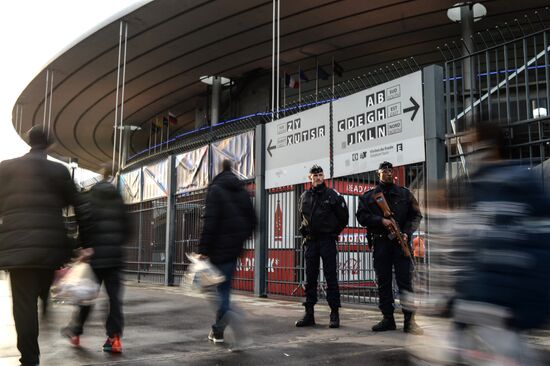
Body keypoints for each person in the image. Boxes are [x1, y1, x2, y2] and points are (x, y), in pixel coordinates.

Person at [0, 126, 78, 366]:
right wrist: (82, 243)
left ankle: (30, 357)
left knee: (23, 305)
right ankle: (45, 298)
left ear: (28, 140)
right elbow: (77, 204)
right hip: (50, 248)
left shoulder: (6, 168)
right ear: (50, 144)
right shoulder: (59, 170)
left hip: (17, 248)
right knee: (42, 287)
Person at [61, 164, 130, 353]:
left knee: (87, 295)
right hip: (115, 258)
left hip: (95, 257)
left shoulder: (89, 199)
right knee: (115, 299)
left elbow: (85, 223)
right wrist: (117, 243)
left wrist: (84, 246)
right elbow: (128, 228)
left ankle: (75, 332)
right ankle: (114, 338)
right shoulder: (119, 200)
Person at [356, 161, 423, 335]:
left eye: (390, 170)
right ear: (378, 173)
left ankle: (410, 321)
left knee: (405, 283)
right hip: (380, 243)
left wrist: (407, 232)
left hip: (401, 244)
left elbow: (416, 215)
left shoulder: (404, 194)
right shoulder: (369, 196)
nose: (387, 173)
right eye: (384, 171)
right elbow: (361, 216)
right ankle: (388, 318)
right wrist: (381, 221)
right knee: (383, 282)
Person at [198, 159, 256, 344]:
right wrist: (240, 239)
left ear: (219, 171)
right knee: (224, 290)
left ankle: (232, 316)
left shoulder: (215, 190)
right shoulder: (242, 192)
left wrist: (203, 250)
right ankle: (218, 331)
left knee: (212, 292)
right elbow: (253, 221)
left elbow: (210, 221)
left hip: (216, 251)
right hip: (233, 251)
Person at [295, 164, 349, 328]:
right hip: (311, 242)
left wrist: (333, 232)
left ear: (323, 177)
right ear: (309, 178)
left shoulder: (332, 195)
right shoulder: (304, 196)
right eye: (314, 175)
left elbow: (343, 218)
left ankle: (334, 314)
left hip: (327, 241)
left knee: (330, 277)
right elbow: (302, 218)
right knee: (310, 278)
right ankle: (309, 314)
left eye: (320, 174)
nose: (318, 177)